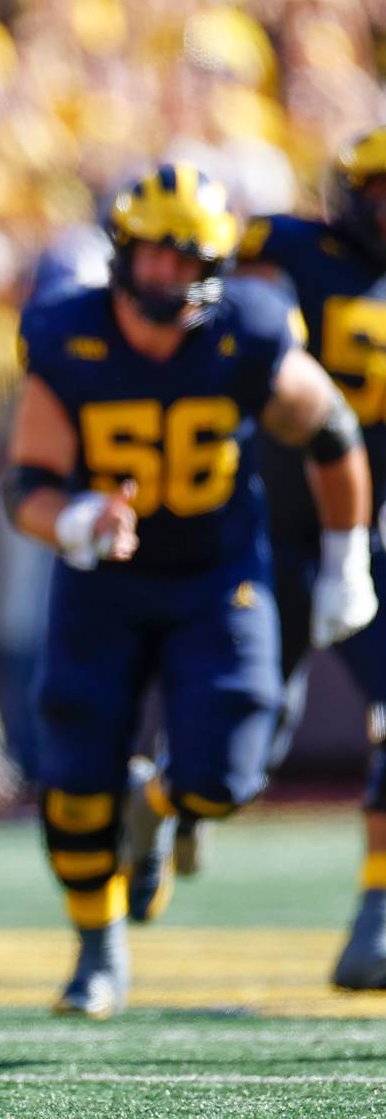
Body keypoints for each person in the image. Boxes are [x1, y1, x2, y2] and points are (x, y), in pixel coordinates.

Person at [2, 162, 376, 1018]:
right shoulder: (68, 334)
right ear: (122, 254)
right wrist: (75, 518)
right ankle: (97, 949)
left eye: (184, 259)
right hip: (104, 581)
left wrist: (346, 556)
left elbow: (331, 431)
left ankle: (165, 804)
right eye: (151, 255)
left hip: (218, 576)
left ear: (213, 269)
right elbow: (27, 485)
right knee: (75, 768)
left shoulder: (249, 330)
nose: (165, 274)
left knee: (230, 773)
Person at [228, 126, 386, 987]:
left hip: (365, 533)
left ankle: (379, 910)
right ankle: (167, 801)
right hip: (267, 520)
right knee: (240, 759)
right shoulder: (288, 249)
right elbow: (247, 322)